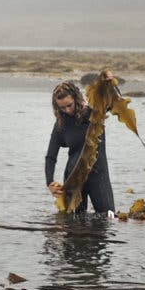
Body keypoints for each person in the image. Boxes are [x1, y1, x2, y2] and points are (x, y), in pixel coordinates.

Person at [44, 77, 115, 214]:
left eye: (69, 105)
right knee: (73, 227)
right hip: (74, 180)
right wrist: (49, 182)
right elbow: (51, 156)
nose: (67, 110)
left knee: (107, 220)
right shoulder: (61, 124)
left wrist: (109, 83)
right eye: (62, 107)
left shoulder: (94, 113)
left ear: (76, 99)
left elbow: (111, 103)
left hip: (98, 176)